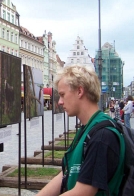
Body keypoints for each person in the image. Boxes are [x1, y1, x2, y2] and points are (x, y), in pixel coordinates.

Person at [37, 64, 125, 196]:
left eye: (62, 94)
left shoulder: (102, 136)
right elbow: (66, 173)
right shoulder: (87, 129)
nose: (60, 102)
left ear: (79, 91)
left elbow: (83, 192)